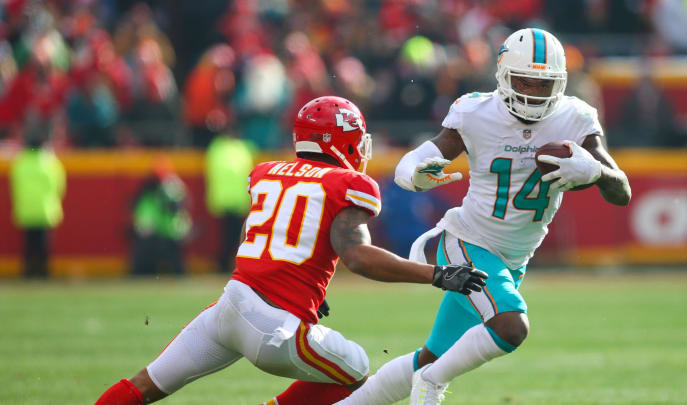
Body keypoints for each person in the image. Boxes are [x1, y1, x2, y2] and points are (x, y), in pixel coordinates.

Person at [94, 96, 487, 405]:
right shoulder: (348, 182)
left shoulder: (266, 172)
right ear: (343, 140)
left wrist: (305, 284)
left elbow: (264, 237)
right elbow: (358, 257)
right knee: (356, 368)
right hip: (274, 325)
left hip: (229, 306)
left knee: (145, 385)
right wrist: (436, 274)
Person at [334, 28, 632, 405]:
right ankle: (432, 384)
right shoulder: (476, 111)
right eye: (525, 80)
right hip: (466, 240)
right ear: (504, 74)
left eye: (544, 83)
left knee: (432, 354)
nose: (534, 92)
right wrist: (413, 173)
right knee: (510, 325)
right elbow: (421, 156)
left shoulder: (576, 117)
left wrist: (596, 173)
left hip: (512, 259)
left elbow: (621, 192)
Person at [9, 132, 66, 278]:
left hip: (25, 209)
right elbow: (59, 185)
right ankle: (43, 272)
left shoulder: (20, 163)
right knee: (43, 244)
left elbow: (14, 185)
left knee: (28, 244)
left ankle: (28, 272)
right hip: (45, 209)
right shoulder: (50, 163)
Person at [130, 156, 191, 276]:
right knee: (147, 254)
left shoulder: (173, 186)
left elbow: (177, 207)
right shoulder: (150, 190)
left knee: (175, 260)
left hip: (172, 229)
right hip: (159, 230)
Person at [205, 131, 255, 272]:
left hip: (227, 200)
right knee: (232, 236)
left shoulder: (217, 149)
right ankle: (226, 264)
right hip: (233, 200)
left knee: (229, 236)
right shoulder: (242, 149)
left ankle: (225, 264)